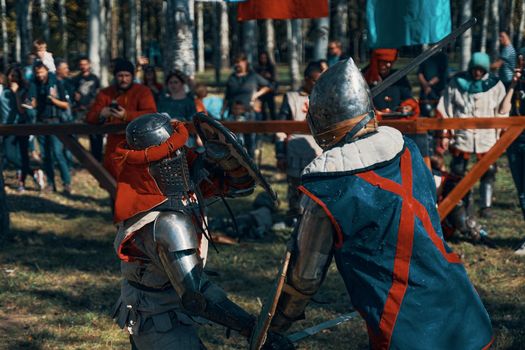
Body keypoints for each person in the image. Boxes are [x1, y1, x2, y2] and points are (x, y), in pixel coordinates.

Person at [267, 58, 493, 350]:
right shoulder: (408, 150)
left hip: (405, 324)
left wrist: (276, 324)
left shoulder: (325, 189)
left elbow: (305, 279)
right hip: (463, 307)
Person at [111, 113, 283, 349]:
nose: (181, 158)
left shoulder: (151, 194)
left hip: (158, 304)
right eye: (172, 155)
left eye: (181, 151)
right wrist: (251, 328)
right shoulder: (167, 222)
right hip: (159, 319)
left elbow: (239, 185)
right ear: (153, 164)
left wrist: (222, 158)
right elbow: (196, 296)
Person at [437, 52, 510, 219]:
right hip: (463, 136)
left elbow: (502, 111)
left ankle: (486, 206)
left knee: (489, 170)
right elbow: (445, 108)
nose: (477, 73)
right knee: (458, 170)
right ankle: (462, 202)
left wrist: (501, 134)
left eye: (481, 70)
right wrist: (446, 134)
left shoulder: (495, 85)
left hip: (487, 137)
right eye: (475, 69)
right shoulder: (456, 83)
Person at [86, 58, 156, 178]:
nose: (124, 79)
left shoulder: (143, 91)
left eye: (127, 75)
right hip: (114, 144)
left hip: (138, 143)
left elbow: (151, 114)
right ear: (115, 76)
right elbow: (90, 117)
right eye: (120, 76)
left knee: (137, 178)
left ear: (132, 76)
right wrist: (102, 114)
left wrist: (126, 115)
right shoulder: (105, 93)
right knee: (114, 178)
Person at [275, 61, 323, 224]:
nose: (317, 85)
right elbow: (281, 128)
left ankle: (312, 220)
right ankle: (293, 218)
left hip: (317, 149)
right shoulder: (291, 98)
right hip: (296, 149)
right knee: (295, 188)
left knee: (316, 188)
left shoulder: (324, 98)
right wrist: (280, 153)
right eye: (315, 81)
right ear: (306, 79)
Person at [364, 48, 429, 165]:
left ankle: (421, 167)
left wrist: (408, 106)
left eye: (390, 62)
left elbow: (408, 97)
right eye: (384, 62)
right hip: (373, 128)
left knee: (419, 136)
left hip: (399, 126)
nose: (388, 65)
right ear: (376, 61)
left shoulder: (398, 77)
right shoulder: (364, 78)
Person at [28, 60, 71, 193]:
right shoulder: (34, 84)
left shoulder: (57, 82)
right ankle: (51, 184)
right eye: (37, 73)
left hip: (55, 121)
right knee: (46, 155)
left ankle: (66, 183)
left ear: (47, 70)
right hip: (41, 122)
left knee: (58, 153)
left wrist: (53, 100)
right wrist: (31, 103)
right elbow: (33, 101)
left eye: (41, 72)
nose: (40, 75)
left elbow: (65, 105)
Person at [499, 49, 525, 254]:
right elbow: (503, 111)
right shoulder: (515, 85)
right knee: (523, 192)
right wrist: (514, 84)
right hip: (515, 142)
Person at [0, 66, 42, 191]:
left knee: (23, 155)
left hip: (21, 125)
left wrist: (16, 93)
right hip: (7, 127)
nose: (12, 78)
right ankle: (33, 172)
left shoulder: (24, 90)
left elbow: (22, 110)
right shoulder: (4, 90)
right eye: (11, 75)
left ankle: (22, 183)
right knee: (9, 155)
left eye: (15, 76)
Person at [222, 53, 271, 157]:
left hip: (249, 113)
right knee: (233, 142)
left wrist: (257, 94)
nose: (237, 65)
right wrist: (222, 111)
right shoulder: (232, 77)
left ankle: (251, 166)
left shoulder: (253, 76)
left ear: (245, 63)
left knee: (250, 143)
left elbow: (268, 86)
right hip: (233, 113)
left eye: (239, 62)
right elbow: (227, 96)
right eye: (235, 63)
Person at [72, 56, 102, 160]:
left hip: (92, 110)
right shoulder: (76, 79)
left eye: (85, 64)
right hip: (79, 109)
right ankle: (79, 157)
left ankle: (97, 158)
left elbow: (99, 92)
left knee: (95, 135)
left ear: (89, 65)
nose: (83, 66)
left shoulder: (94, 78)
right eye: (81, 64)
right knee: (74, 134)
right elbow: (72, 93)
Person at [255, 51, 277, 120]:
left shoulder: (271, 67)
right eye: (262, 58)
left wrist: (269, 76)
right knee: (262, 110)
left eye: (264, 58)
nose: (263, 60)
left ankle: (274, 123)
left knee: (272, 108)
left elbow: (274, 79)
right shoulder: (257, 67)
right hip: (261, 90)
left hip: (270, 91)